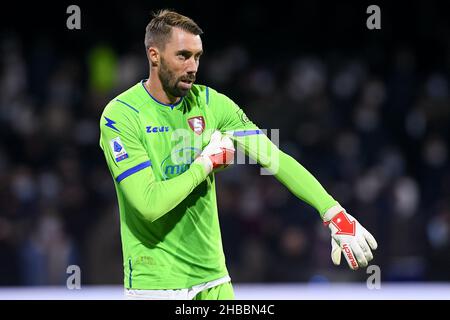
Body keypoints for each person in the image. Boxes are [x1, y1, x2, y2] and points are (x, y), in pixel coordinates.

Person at [99, 9, 377, 300]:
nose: (193, 66)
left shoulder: (212, 104)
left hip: (214, 280)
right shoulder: (122, 116)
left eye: (197, 56)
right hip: (155, 285)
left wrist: (333, 212)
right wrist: (206, 164)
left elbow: (274, 158)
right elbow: (149, 204)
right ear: (154, 56)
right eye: (183, 55)